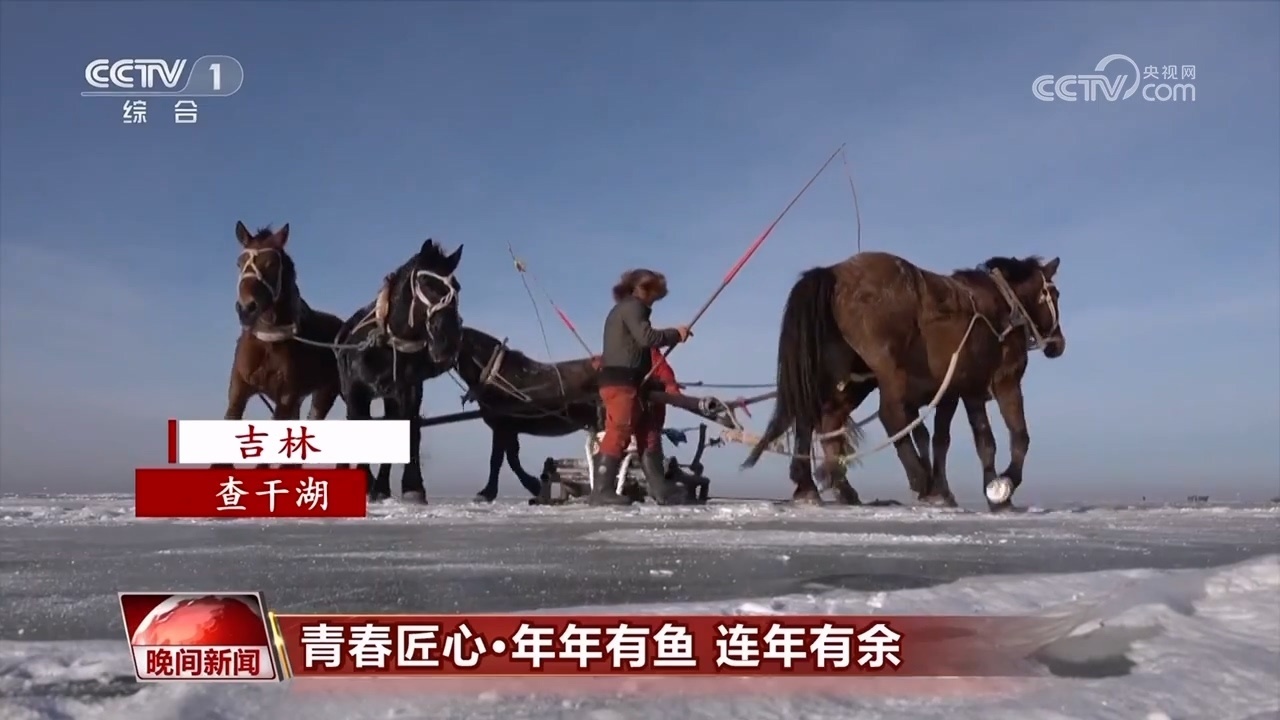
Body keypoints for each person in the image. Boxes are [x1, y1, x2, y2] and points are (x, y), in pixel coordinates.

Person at [593, 268, 691, 505]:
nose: (655, 300)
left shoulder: (628, 309)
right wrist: (675, 334)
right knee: (619, 430)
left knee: (648, 432)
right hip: (621, 382)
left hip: (636, 384)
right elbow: (646, 338)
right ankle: (601, 490)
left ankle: (660, 489)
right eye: (655, 292)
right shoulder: (632, 307)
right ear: (644, 288)